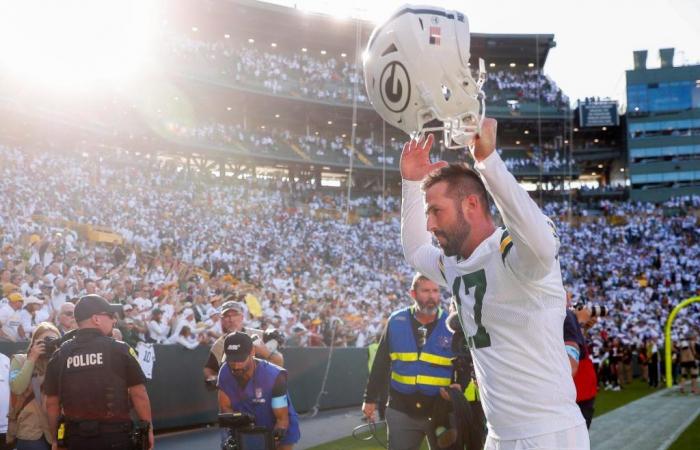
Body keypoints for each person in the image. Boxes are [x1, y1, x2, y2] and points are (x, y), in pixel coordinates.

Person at [400, 122, 588, 449]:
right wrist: (410, 182)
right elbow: (415, 250)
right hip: (499, 435)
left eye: (436, 211)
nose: (429, 223)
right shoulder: (456, 262)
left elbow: (542, 245)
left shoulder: (516, 254)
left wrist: (488, 162)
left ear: (471, 205)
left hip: (548, 435)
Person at [43, 294, 154, 450]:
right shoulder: (121, 349)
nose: (114, 320)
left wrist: (56, 439)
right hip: (115, 438)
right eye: (110, 316)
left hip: (75, 439)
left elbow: (51, 403)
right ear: (96, 319)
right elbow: (139, 393)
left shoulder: (60, 354)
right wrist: (148, 430)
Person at [362, 273, 453, 450]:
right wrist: (370, 398)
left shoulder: (451, 323)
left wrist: (458, 386)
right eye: (426, 291)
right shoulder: (396, 321)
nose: (432, 296)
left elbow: (463, 362)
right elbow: (381, 363)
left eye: (435, 290)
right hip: (401, 409)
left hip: (441, 410)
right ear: (413, 294)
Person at [217, 332, 300, 449]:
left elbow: (282, 420)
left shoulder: (275, 376)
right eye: (232, 359)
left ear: (252, 352)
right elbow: (226, 409)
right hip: (245, 426)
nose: (236, 366)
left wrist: (268, 443)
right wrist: (234, 435)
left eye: (240, 359)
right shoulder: (225, 372)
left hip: (277, 424)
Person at [7, 322, 61, 450]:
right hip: (31, 431)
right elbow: (17, 387)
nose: (49, 344)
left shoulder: (60, 361)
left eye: (53, 341)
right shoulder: (20, 360)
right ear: (34, 341)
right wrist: (32, 358)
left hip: (57, 429)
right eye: (45, 341)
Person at [203, 301, 283, 384]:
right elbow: (209, 369)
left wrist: (271, 341)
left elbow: (279, 361)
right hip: (236, 391)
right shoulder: (219, 345)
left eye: (235, 315)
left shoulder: (258, 335)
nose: (231, 319)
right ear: (222, 320)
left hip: (264, 385)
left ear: (242, 317)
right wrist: (212, 377)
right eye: (227, 316)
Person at [564, 306, 598, 429]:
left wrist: (582, 328)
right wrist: (578, 322)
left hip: (583, 389)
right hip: (575, 391)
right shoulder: (564, 317)